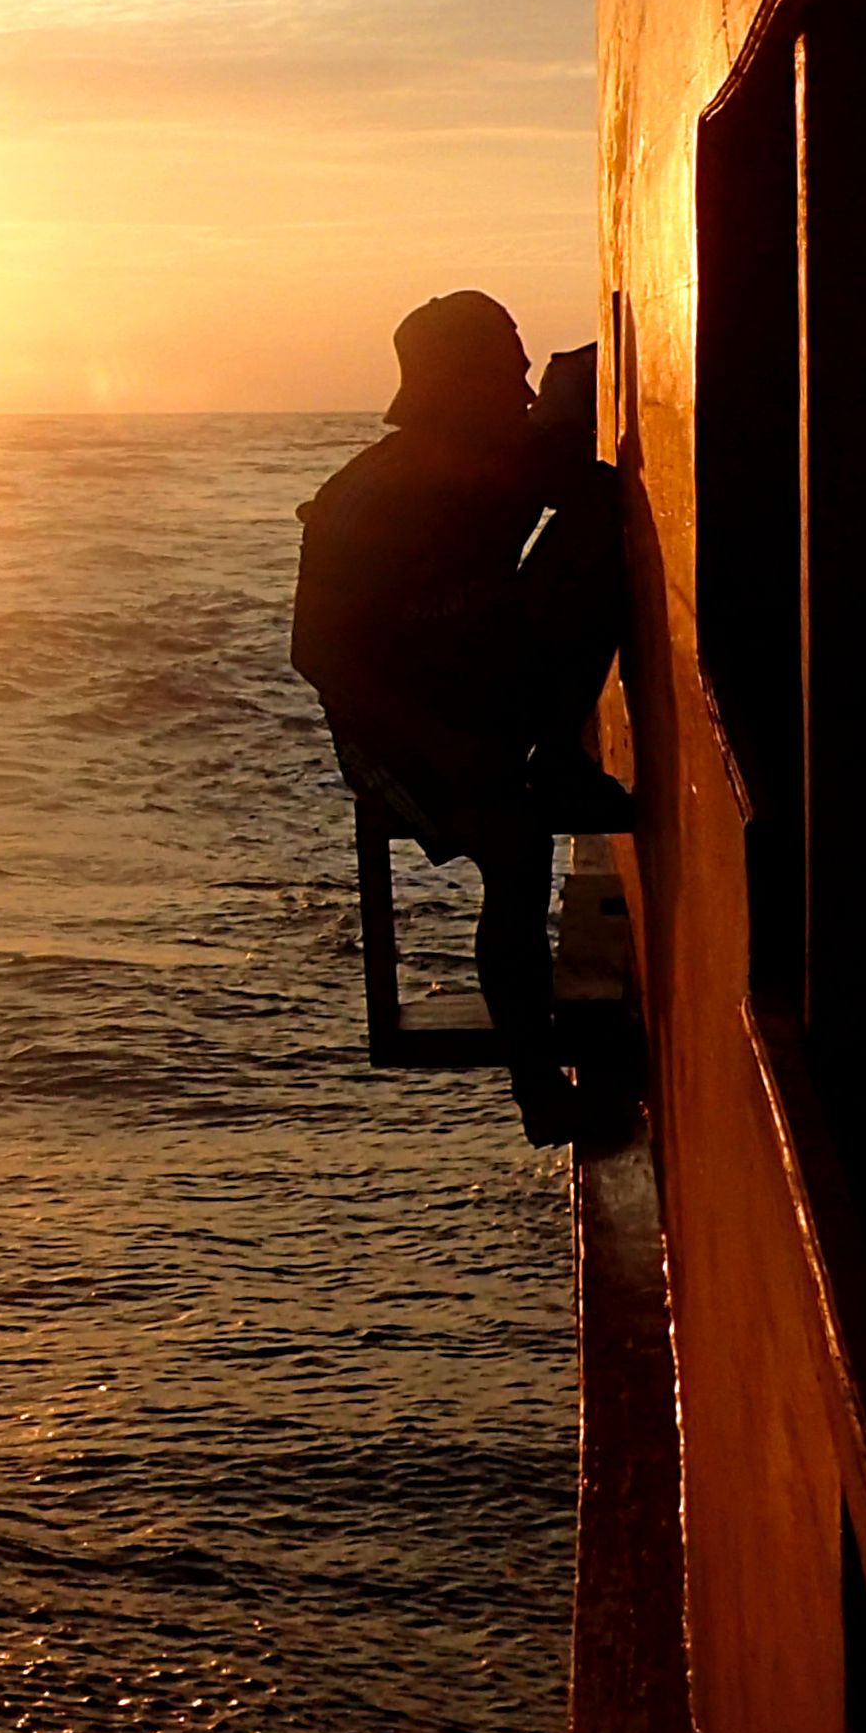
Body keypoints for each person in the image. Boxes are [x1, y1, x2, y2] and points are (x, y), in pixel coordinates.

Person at [292, 291, 629, 1143]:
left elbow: (580, 462)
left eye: (521, 369)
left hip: (483, 681)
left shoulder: (508, 464)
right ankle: (537, 1086)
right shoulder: (361, 501)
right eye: (501, 369)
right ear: (454, 382)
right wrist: (446, 751)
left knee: (599, 523)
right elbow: (322, 658)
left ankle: (555, 750)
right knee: (513, 846)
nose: (518, 386)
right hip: (392, 727)